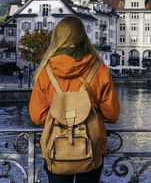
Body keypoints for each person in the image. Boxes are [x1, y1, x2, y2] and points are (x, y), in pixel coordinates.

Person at [29, 16, 120, 183]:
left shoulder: (45, 72)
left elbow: (37, 117)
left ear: (57, 37)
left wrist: (62, 115)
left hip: (56, 147)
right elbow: (112, 115)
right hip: (91, 147)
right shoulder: (99, 70)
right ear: (83, 36)